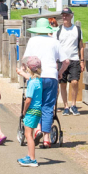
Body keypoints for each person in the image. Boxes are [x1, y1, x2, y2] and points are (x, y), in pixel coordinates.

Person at [24, 18, 66, 147]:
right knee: (48, 106)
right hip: (51, 76)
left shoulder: (32, 40)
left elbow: (25, 59)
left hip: (37, 76)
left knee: (35, 104)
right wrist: (60, 72)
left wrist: (23, 71)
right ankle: (46, 137)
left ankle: (37, 129)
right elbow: (66, 61)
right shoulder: (55, 42)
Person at [54, 8, 83, 116]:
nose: (64, 17)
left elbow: (81, 46)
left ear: (71, 16)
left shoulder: (77, 29)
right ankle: (66, 106)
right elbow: (55, 46)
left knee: (75, 81)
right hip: (62, 60)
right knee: (62, 84)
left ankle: (74, 104)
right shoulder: (58, 30)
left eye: (66, 15)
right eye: (63, 15)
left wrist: (82, 60)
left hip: (74, 59)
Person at [16, 56, 44, 167]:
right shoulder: (37, 80)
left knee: (28, 135)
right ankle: (29, 155)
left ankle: (32, 159)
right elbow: (29, 77)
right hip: (37, 110)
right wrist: (22, 72)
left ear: (29, 68)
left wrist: (24, 111)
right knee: (29, 134)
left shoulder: (32, 84)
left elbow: (28, 100)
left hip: (31, 111)